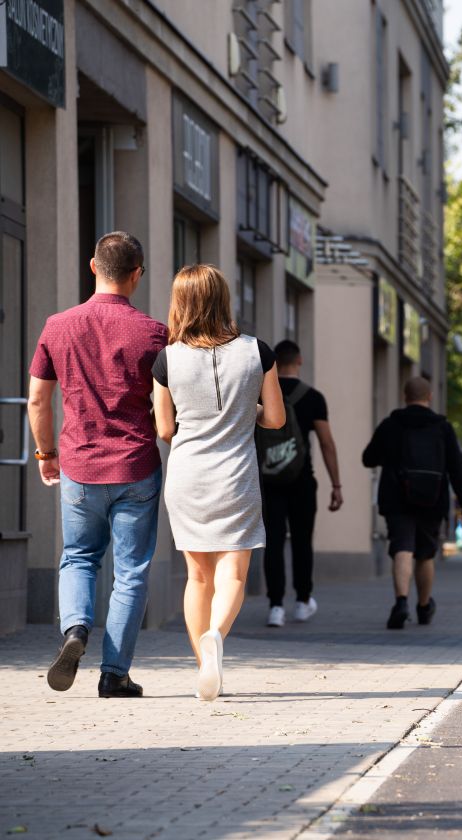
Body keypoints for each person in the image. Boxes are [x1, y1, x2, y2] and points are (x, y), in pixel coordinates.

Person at [28, 232, 167, 699]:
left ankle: (75, 631)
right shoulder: (153, 333)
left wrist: (46, 454)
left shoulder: (58, 325)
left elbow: (37, 400)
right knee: (130, 571)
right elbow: (168, 407)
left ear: (92, 267)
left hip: (79, 465)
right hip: (135, 466)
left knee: (78, 557)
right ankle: (114, 675)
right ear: (137, 274)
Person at [153, 264, 287, 702]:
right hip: (237, 475)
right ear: (223, 299)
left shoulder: (166, 358)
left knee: (197, 576)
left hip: (188, 474)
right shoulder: (257, 351)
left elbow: (165, 429)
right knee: (234, 572)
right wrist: (244, 412)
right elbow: (276, 418)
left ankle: (204, 665)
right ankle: (216, 636)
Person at [362, 376, 462, 629]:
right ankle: (424, 607)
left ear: (405, 396)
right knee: (425, 554)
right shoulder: (442, 427)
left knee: (402, 547)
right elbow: (457, 469)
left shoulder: (391, 424)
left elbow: (368, 458)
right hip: (432, 499)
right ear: (430, 397)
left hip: (396, 497)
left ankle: (401, 602)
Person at [261, 340, 343, 628]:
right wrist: (336, 485)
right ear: (299, 360)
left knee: (272, 541)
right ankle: (302, 601)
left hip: (267, 479)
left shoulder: (260, 392)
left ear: (273, 362)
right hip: (301, 480)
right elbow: (326, 443)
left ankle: (275, 607)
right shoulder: (313, 397)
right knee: (301, 541)